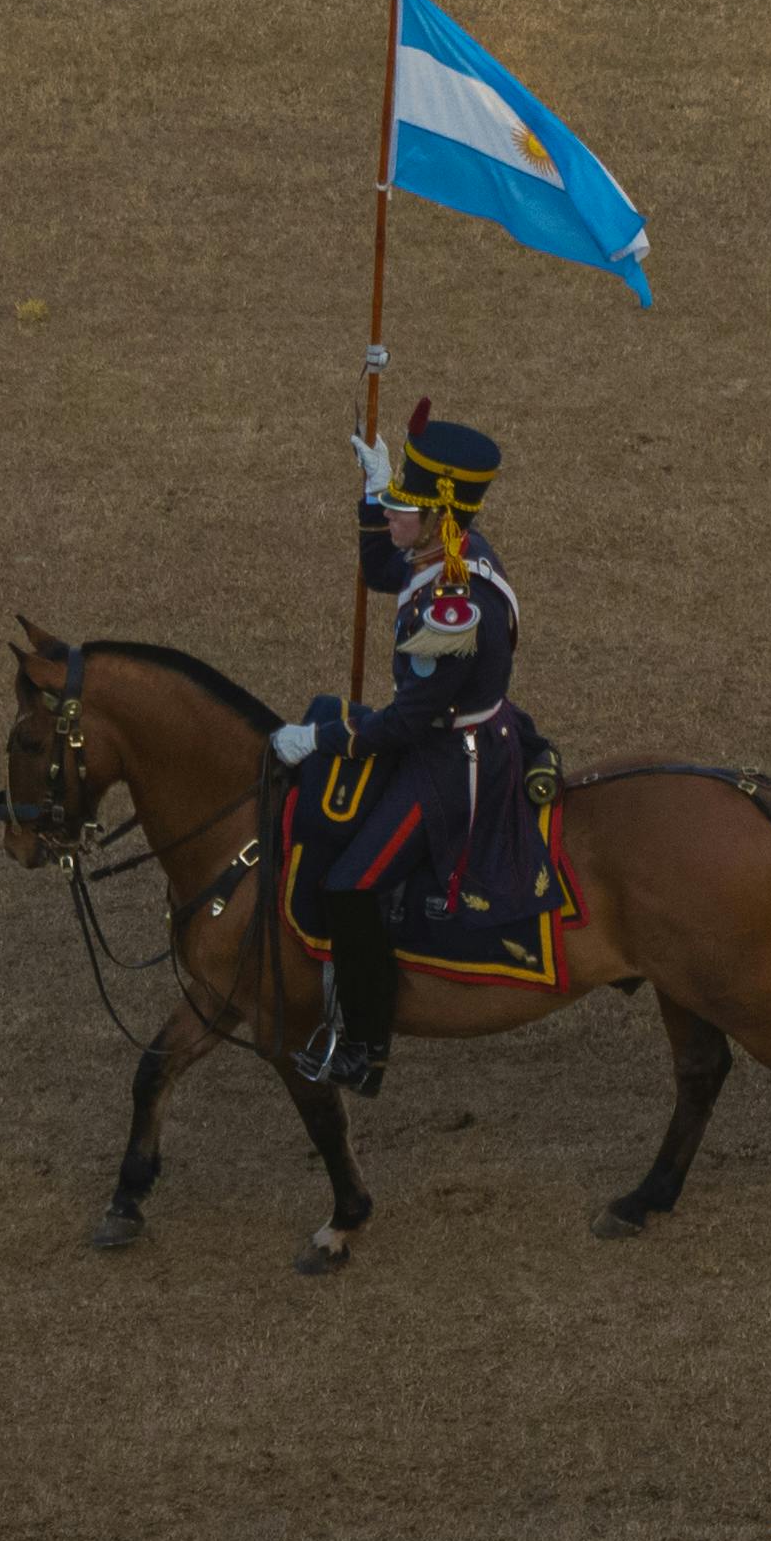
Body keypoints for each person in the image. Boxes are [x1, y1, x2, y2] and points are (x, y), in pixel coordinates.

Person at [269, 412, 529, 1094]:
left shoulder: (453, 605)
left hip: (449, 761)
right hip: (434, 734)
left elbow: (407, 725)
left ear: (439, 515)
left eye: (401, 505)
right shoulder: (447, 550)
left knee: (351, 884)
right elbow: (382, 569)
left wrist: (317, 739)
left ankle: (364, 1045)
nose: (391, 512)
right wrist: (374, 488)